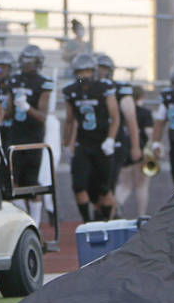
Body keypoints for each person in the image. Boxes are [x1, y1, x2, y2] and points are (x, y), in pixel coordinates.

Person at [62, 53, 120, 222]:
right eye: (81, 72)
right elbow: (69, 120)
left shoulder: (103, 88)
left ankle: (105, 222)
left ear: (94, 72)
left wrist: (110, 139)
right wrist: (67, 143)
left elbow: (115, 117)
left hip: (102, 143)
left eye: (88, 71)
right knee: (78, 186)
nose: (85, 75)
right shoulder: (71, 91)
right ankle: (87, 222)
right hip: (83, 143)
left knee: (104, 189)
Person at [6, 44, 54, 222]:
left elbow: (42, 116)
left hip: (33, 137)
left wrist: (27, 108)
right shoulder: (15, 80)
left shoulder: (43, 83)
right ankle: (23, 218)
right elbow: (9, 112)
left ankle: (35, 221)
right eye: (24, 61)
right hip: (15, 135)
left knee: (31, 181)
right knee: (13, 180)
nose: (26, 65)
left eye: (30, 61)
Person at [96, 54, 140, 215]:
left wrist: (135, 146)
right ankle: (105, 215)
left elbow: (131, 119)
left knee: (108, 184)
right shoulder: (87, 89)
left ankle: (112, 215)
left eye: (104, 70)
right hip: (94, 143)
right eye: (98, 70)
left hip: (115, 143)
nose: (101, 73)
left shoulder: (120, 89)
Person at [115, 85, 155, 217]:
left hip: (124, 150)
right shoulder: (145, 113)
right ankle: (141, 215)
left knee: (125, 184)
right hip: (141, 151)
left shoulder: (121, 111)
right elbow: (150, 134)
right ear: (142, 97)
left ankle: (116, 206)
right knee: (141, 186)